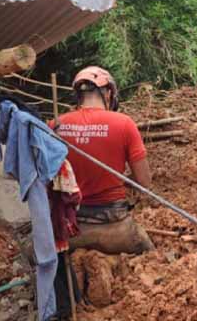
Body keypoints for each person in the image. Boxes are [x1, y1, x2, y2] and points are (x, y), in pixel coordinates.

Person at [56, 66, 155, 254]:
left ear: (78, 95)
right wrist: (121, 181)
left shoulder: (57, 124)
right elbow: (144, 181)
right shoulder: (124, 123)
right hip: (115, 225)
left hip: (71, 227)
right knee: (150, 256)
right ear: (108, 93)